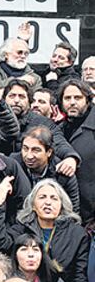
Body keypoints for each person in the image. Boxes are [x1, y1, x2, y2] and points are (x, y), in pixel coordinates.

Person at [0, 179, 90, 282]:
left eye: (54, 198)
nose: (48, 202)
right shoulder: (21, 228)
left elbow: (80, 278)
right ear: (33, 205)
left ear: (62, 205)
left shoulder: (77, 234)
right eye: (42, 197)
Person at [58, 80, 95, 224]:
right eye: (67, 98)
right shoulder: (59, 129)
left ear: (87, 100)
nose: (72, 102)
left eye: (77, 98)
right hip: (68, 211)